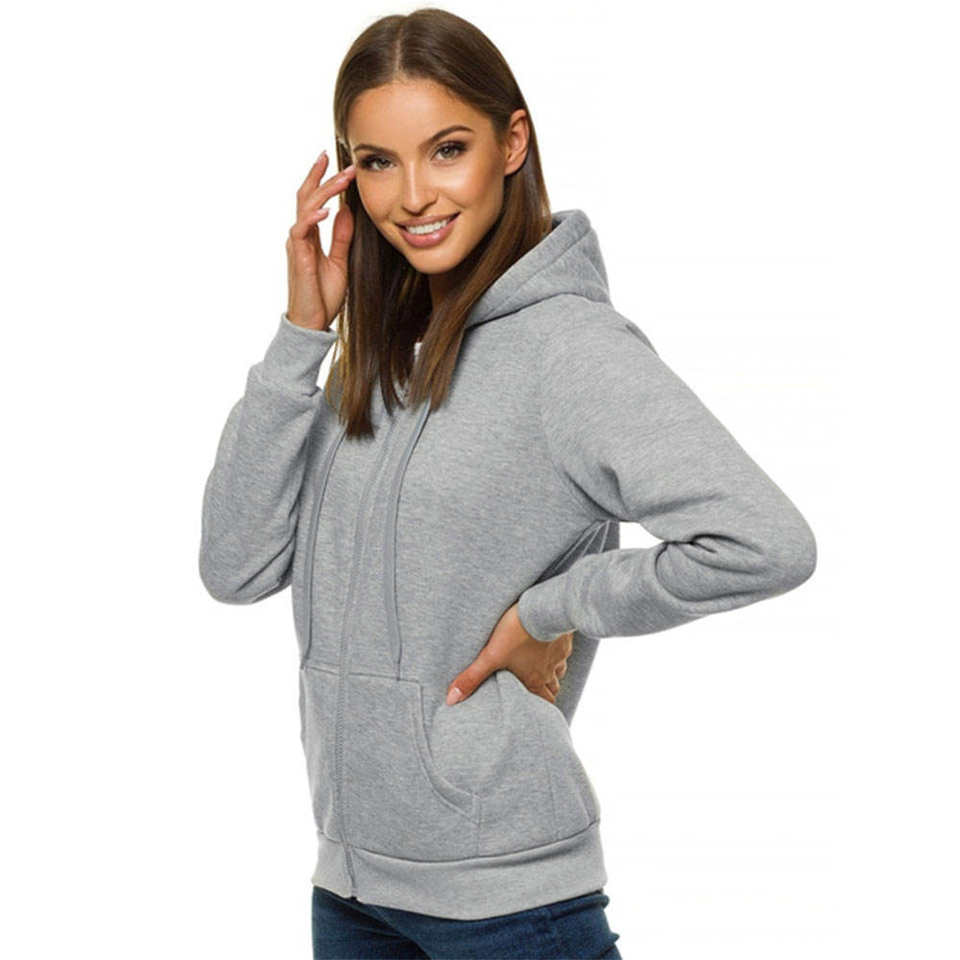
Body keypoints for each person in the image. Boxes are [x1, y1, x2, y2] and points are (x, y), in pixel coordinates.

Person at [198, 8, 817, 958]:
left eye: (447, 149)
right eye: (377, 162)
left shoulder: (570, 351)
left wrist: (551, 608)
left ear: (512, 142)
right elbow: (235, 567)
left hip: (510, 905)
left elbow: (765, 542)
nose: (413, 195)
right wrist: (300, 337)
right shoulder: (378, 357)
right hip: (352, 890)